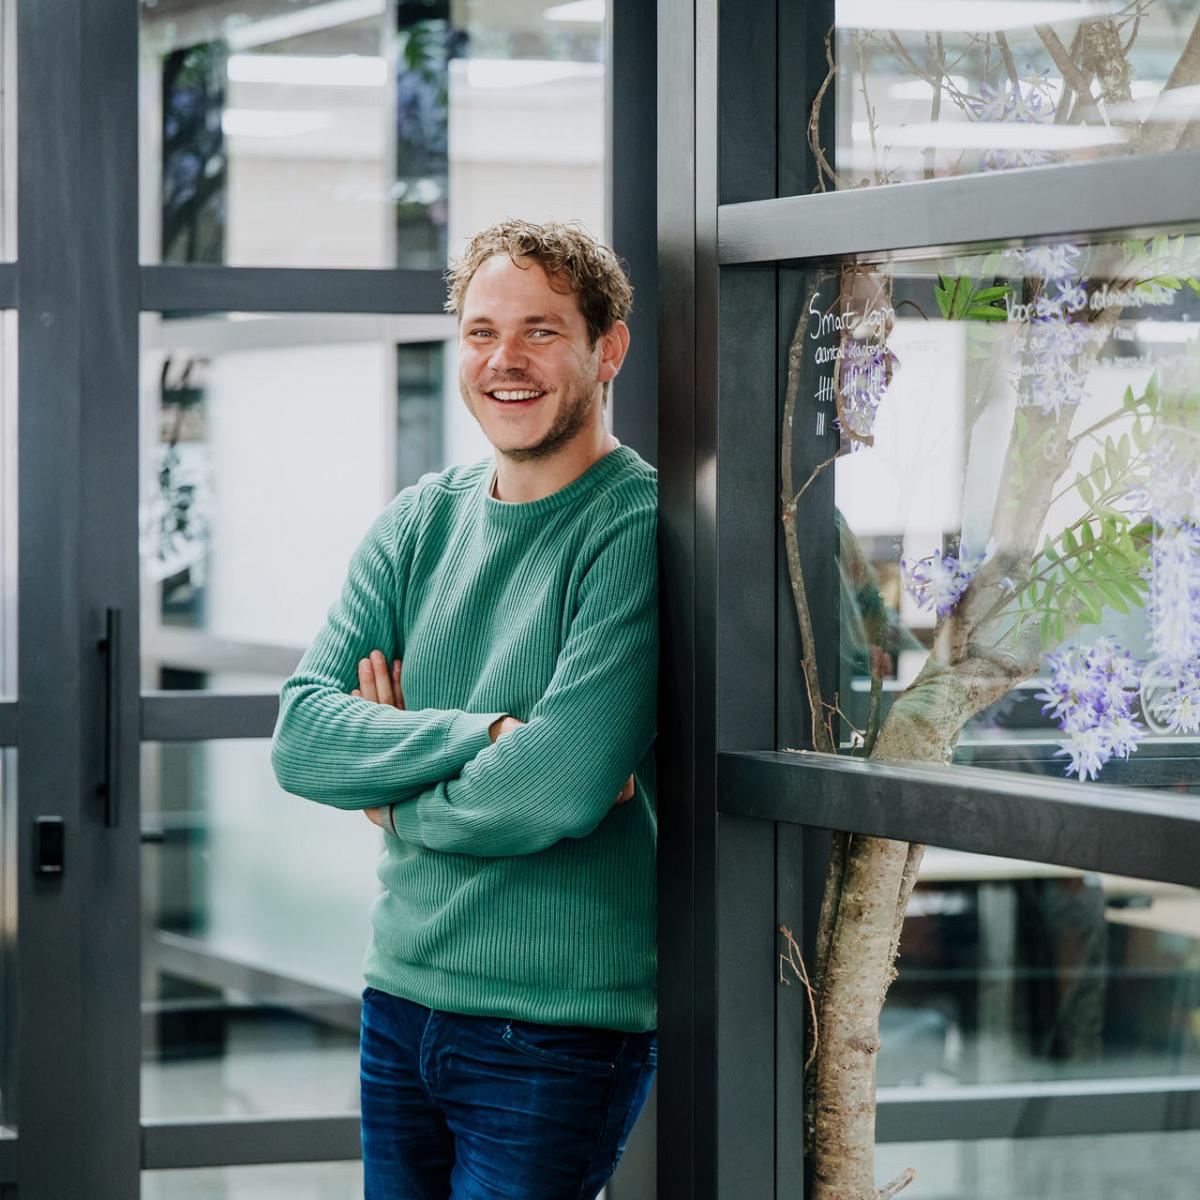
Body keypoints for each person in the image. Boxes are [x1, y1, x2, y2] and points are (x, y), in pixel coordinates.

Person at [271, 219, 658, 1200]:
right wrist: (484, 735)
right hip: (400, 995)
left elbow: (558, 793)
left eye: (540, 331)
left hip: (556, 1027)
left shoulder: (637, 529)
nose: (505, 361)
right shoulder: (418, 521)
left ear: (607, 348)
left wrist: (392, 792)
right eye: (482, 332)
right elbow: (303, 737)